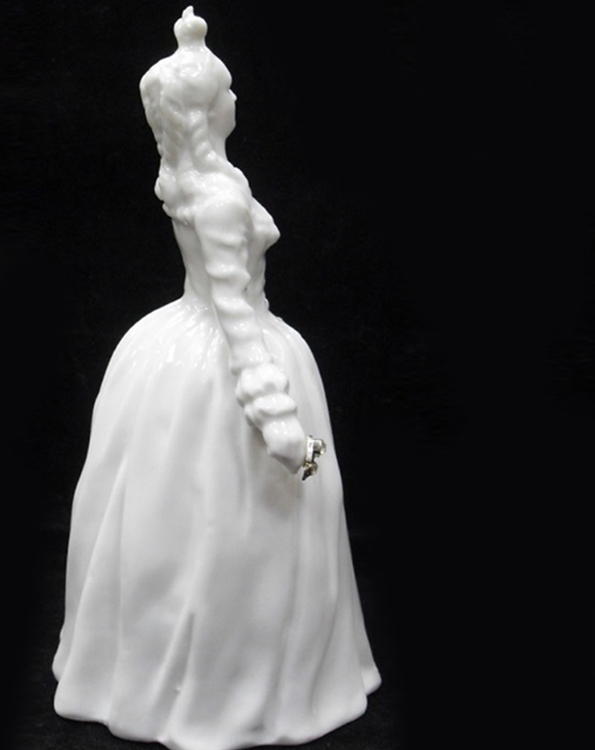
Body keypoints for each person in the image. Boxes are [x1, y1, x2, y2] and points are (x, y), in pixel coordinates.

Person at [52, 8, 380, 750]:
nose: (237, 99)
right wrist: (282, 427)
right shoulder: (223, 198)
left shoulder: (188, 179)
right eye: (226, 92)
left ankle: (161, 667)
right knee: (233, 516)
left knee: (172, 510)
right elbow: (235, 314)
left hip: (176, 341)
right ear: (205, 114)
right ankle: (230, 683)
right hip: (232, 354)